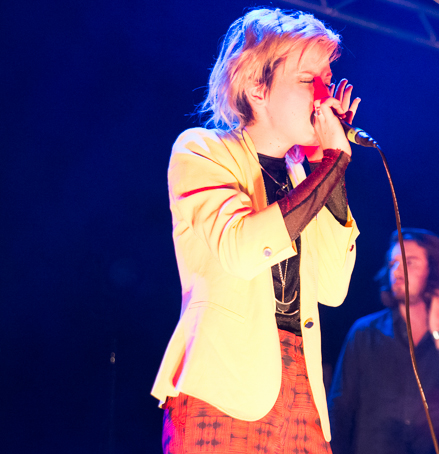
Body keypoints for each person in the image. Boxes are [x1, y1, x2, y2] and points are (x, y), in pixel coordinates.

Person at [151, 8, 361, 454]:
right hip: (223, 384)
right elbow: (242, 250)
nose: (324, 96)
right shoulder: (202, 151)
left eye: (327, 80)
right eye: (307, 80)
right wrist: (332, 163)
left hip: (302, 389)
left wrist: (328, 168)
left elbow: (332, 287)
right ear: (256, 88)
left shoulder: (306, 173)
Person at [328, 229, 439, 454]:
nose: (397, 271)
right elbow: (339, 410)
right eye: (393, 263)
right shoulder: (364, 333)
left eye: (410, 262)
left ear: (433, 270)